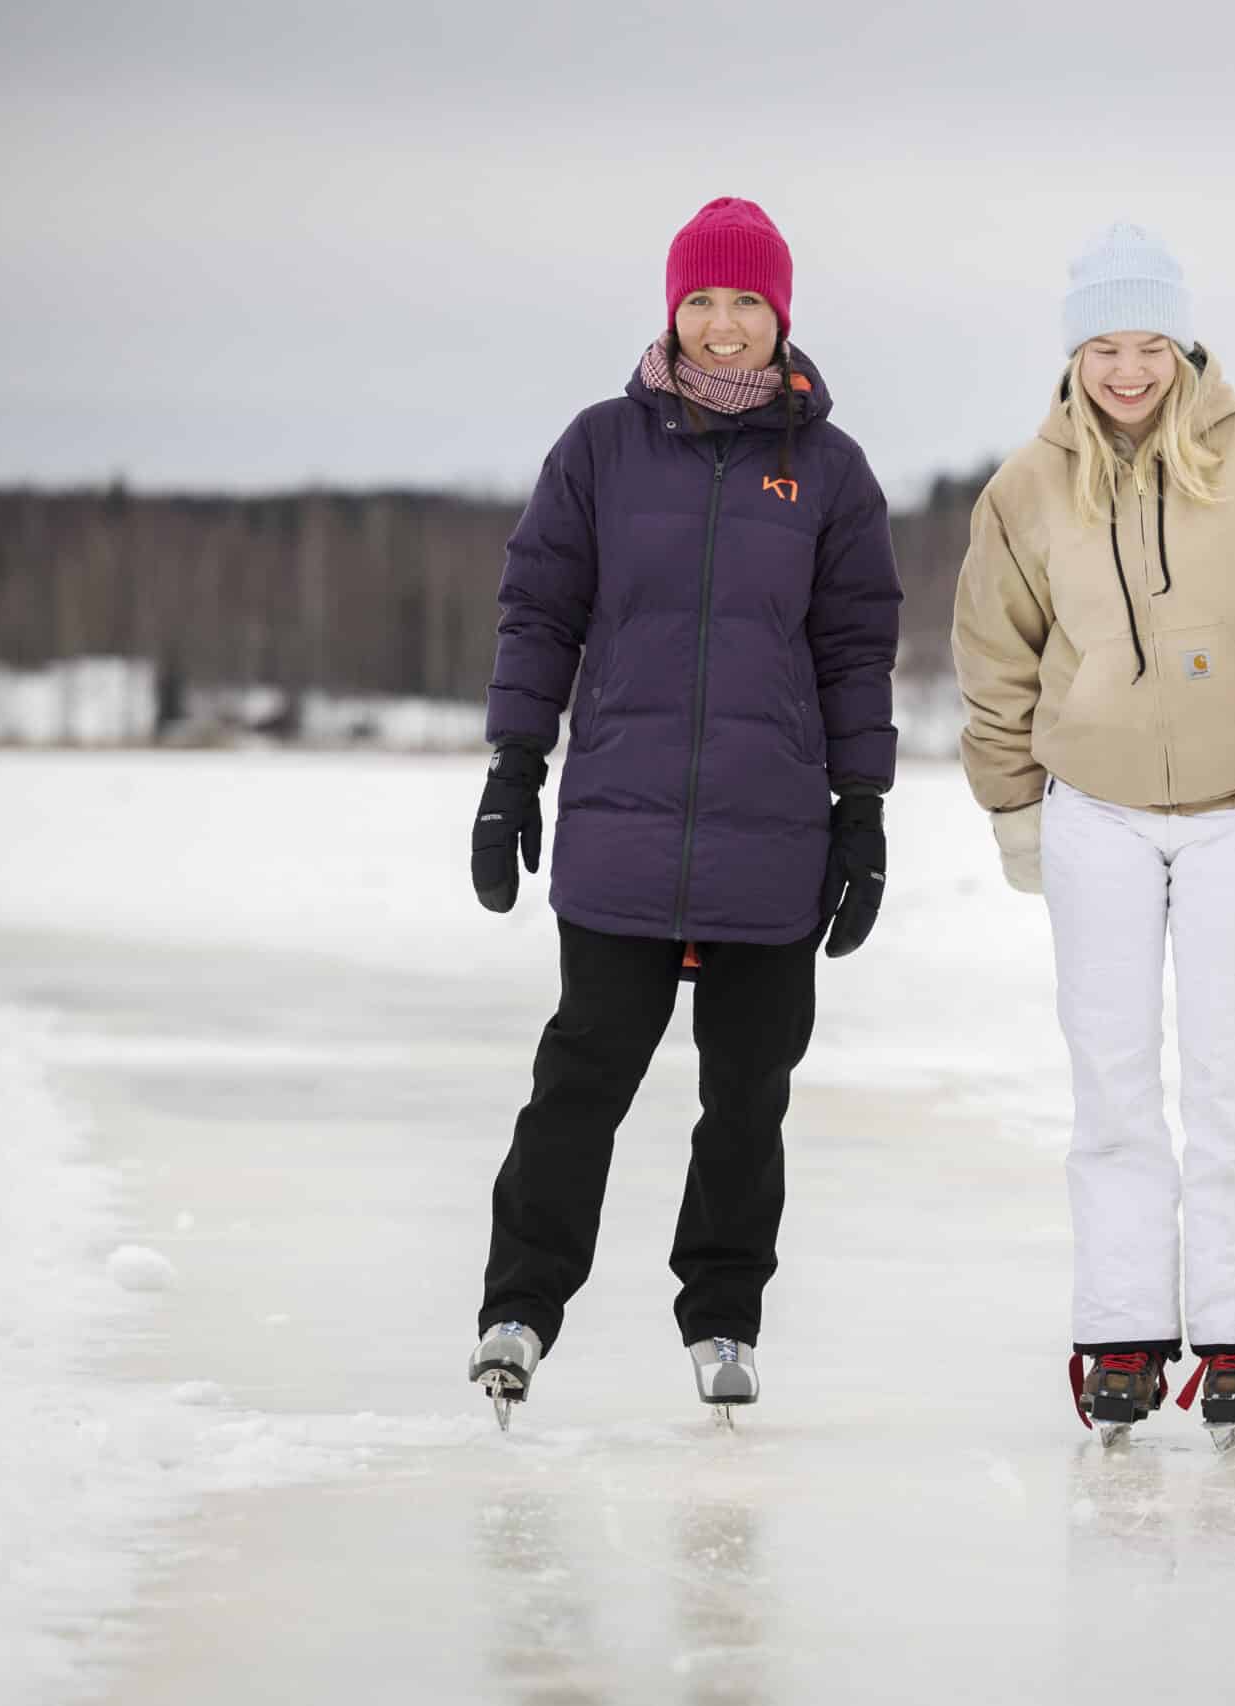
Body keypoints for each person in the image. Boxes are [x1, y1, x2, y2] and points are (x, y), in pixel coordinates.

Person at [950, 223, 1235, 1444]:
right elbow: (994, 664)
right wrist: (1009, 807)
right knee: (1110, 1084)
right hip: (1090, 811)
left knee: (1233, 1080)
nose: (1130, 370)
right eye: (1106, 346)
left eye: (1151, 344)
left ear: (1184, 344)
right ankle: (1121, 1337)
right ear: (1073, 354)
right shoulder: (1023, 488)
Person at [464, 195, 901, 1430]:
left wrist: (860, 808)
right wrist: (513, 768)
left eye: (745, 303)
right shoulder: (600, 448)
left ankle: (723, 1313)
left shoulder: (829, 469)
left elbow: (855, 648)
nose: (722, 327)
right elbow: (538, 614)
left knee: (747, 1090)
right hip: (623, 822)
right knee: (582, 1074)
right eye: (701, 302)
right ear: (672, 310)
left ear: (781, 317)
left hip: (772, 833)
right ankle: (519, 1305)